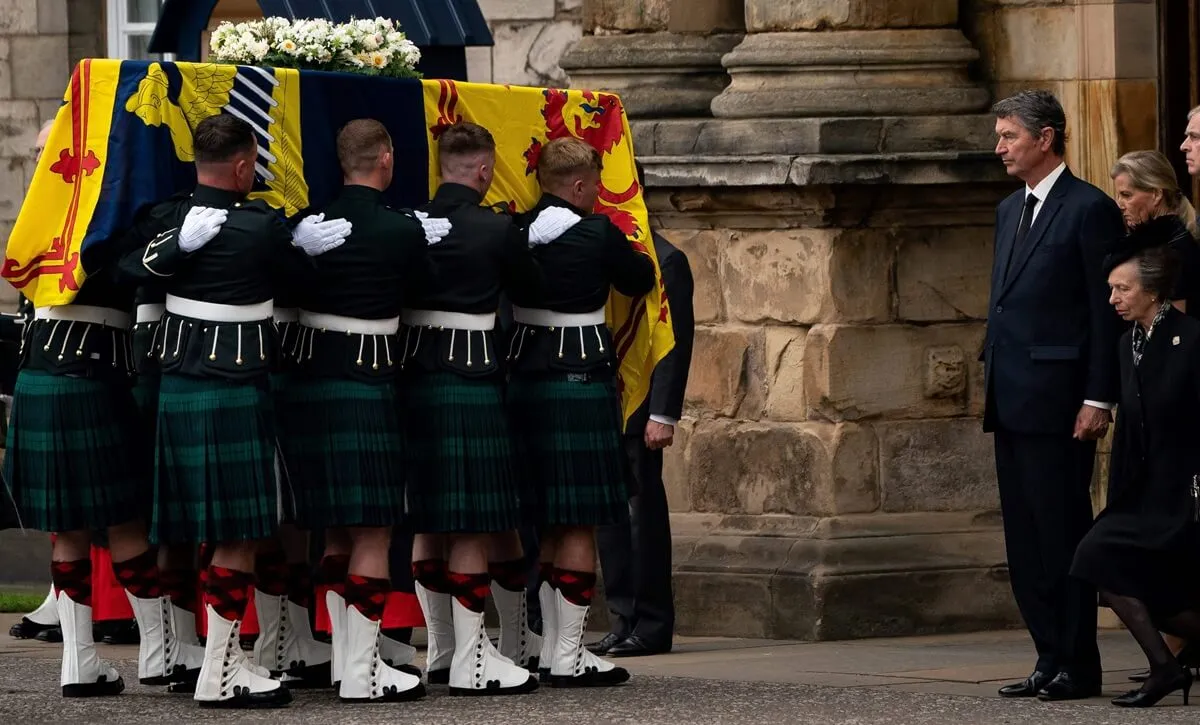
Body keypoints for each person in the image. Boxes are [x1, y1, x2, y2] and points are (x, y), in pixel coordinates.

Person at [116, 113, 351, 708]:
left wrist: (174, 245)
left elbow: (128, 271)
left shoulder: (167, 217)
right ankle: (221, 670)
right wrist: (301, 247)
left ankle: (191, 655)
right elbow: (306, 283)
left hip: (178, 388)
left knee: (192, 525)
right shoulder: (260, 227)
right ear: (245, 165)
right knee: (240, 530)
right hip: (235, 386)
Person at [286, 118, 435, 701]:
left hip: (309, 380)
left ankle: (348, 660)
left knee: (333, 531)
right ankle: (362, 671)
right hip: (369, 379)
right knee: (374, 528)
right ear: (387, 158)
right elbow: (425, 291)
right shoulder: (400, 231)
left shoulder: (307, 227)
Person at [984, 90, 1125, 701]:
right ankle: (1047, 655)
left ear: (1046, 138)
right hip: (1011, 397)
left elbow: (1103, 313)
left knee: (1061, 530)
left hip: (1062, 400)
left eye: (1009, 136)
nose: (1000, 148)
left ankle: (1078, 661)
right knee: (1023, 536)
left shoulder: (1089, 208)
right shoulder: (1008, 209)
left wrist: (1100, 397)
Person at [506, 136, 655, 686]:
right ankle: (567, 653)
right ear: (576, 185)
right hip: (578, 378)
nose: (598, 193)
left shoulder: (516, 231)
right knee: (577, 519)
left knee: (545, 513)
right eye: (594, 184)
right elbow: (639, 280)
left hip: (523, 376)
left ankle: (547, 646)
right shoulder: (595, 232)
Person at [402, 121, 539, 696]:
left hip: (413, 376)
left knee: (430, 514)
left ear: (441, 168)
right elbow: (531, 289)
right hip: (473, 377)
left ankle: (444, 648)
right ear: (484, 171)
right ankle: (471, 660)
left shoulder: (410, 226)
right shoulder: (496, 229)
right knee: (472, 519)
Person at [1071, 232, 1200, 708]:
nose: (1113, 298)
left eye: (1122, 289)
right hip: (1141, 491)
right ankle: (1165, 668)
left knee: (1114, 568)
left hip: (1182, 490)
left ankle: (1165, 669)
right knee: (1101, 564)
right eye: (1111, 289)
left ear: (1152, 291)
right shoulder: (1128, 344)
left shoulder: (1191, 341)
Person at [592, 164, 694, 658]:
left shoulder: (667, 258)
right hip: (605, 402)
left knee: (642, 519)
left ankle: (652, 622)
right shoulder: (606, 254)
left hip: (642, 410)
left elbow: (673, 344)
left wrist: (663, 413)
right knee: (610, 521)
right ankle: (623, 616)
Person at [1110, 150, 1200, 317]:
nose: (1120, 204)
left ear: (1156, 194)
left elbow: (1176, 327)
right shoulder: (1149, 241)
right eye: (1118, 196)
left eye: (1126, 195)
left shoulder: (1174, 248)